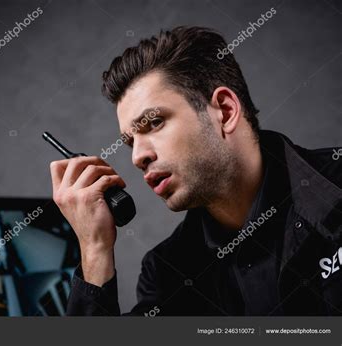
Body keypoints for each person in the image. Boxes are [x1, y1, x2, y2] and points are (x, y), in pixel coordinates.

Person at [48, 26, 341, 315]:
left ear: (225, 111)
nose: (138, 156)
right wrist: (95, 250)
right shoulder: (167, 275)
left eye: (155, 123)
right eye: (129, 142)